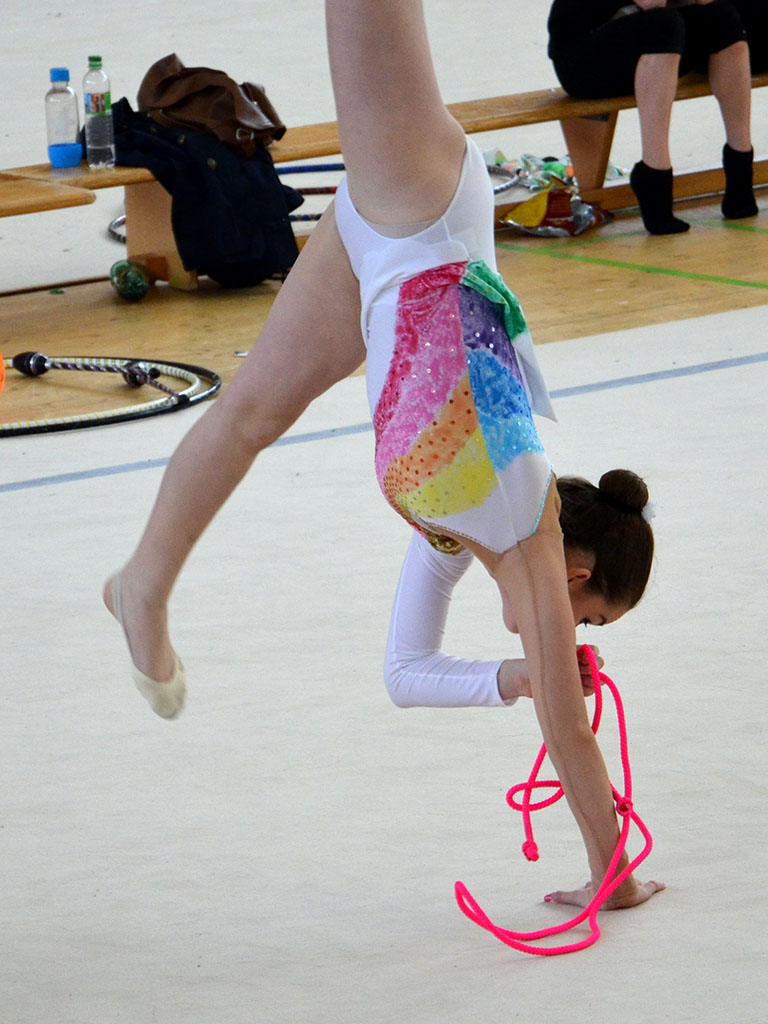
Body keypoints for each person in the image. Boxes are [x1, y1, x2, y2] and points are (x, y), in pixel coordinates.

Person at [105, 0, 664, 912]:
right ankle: (145, 587)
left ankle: (143, 584)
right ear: (577, 574)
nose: (577, 641)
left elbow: (406, 673)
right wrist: (616, 876)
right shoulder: (523, 530)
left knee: (247, 416)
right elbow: (569, 732)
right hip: (423, 206)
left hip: (382, 255)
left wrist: (509, 679)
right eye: (591, 619)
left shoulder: (450, 542)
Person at [384, 472, 653, 709]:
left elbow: (404, 673)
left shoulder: (455, 532)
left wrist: (523, 677)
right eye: (584, 620)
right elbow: (403, 673)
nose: (569, 631)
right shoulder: (487, 490)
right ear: (574, 577)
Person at [547, 0, 758, 234]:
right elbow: (652, 2)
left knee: (723, 18)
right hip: (582, 55)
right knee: (663, 24)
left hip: (646, 38)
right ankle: (654, 173)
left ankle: (740, 168)